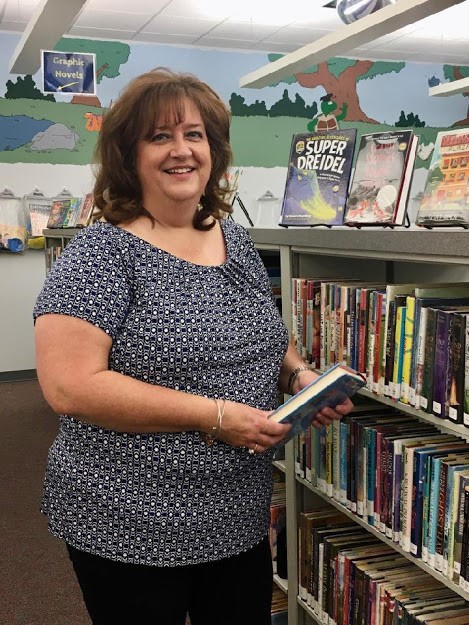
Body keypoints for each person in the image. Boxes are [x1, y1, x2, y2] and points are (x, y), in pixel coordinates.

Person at [33, 67, 354, 625]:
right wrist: (215, 416)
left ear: (214, 151)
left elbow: (266, 336)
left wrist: (299, 377)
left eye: (194, 135)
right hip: (129, 520)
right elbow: (70, 387)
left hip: (236, 514)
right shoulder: (100, 255)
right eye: (160, 136)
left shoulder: (235, 241)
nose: (181, 150)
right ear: (129, 156)